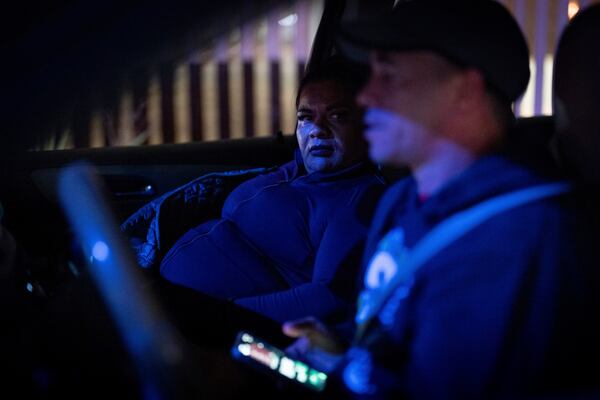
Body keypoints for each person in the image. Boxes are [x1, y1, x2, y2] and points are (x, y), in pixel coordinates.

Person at [282, 1, 599, 398]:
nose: (365, 97)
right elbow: (395, 327)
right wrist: (342, 343)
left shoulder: (517, 237)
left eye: (389, 76)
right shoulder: (402, 199)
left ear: (464, 90)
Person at [151, 56, 387, 324]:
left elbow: (329, 298)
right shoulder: (295, 170)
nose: (318, 129)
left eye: (337, 116)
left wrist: (222, 316)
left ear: (366, 125)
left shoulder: (358, 200)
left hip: (205, 328)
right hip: (162, 297)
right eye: (306, 117)